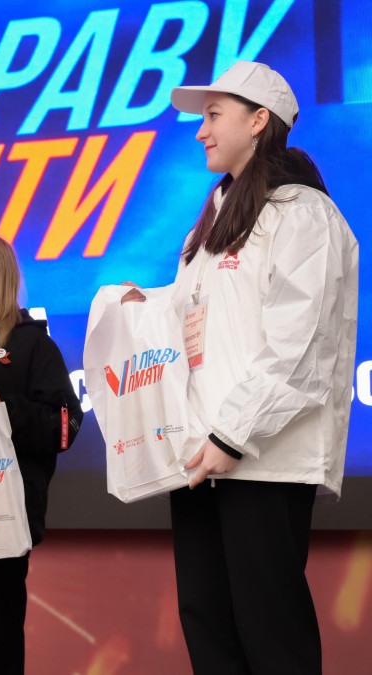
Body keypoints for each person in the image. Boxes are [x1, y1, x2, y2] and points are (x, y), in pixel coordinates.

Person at [123, 61, 357, 674]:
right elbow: (204, 320)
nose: (200, 131)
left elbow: (302, 345)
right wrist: (145, 306)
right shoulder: (211, 219)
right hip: (201, 457)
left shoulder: (302, 214)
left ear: (258, 121)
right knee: (208, 622)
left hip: (263, 457)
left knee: (269, 631)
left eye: (213, 115)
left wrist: (232, 435)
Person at [0, 234, 83, 675]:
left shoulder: (33, 344)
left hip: (3, 515)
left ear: (6, 277)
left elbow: (67, 424)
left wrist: (6, 409)